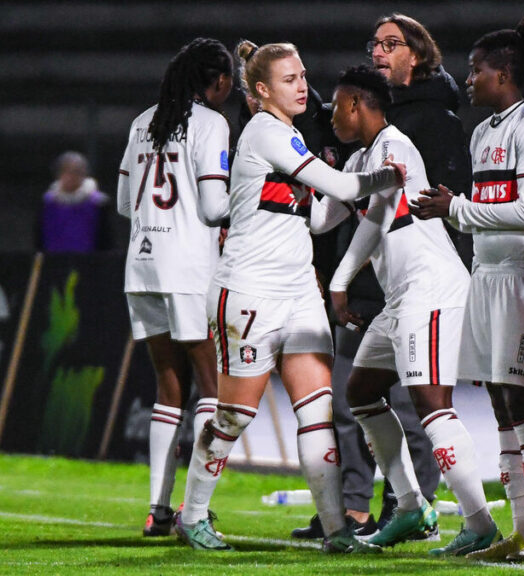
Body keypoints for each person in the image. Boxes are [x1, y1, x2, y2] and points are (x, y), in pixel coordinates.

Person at [178, 39, 405, 554]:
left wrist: (356, 187)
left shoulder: (291, 136)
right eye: (289, 79)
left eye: (303, 75)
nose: (303, 85)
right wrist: (381, 176)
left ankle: (337, 531)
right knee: (235, 416)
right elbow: (344, 192)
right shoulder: (262, 132)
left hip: (300, 290)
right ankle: (191, 516)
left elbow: (320, 215)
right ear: (260, 90)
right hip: (249, 290)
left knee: (316, 412)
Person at [312, 64, 496, 556]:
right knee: (362, 391)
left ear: (356, 103)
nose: (331, 114)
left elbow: (376, 215)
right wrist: (304, 170)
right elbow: (319, 219)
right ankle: (412, 506)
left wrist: (339, 281)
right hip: (401, 298)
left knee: (432, 407)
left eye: (336, 105)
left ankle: (479, 522)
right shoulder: (356, 163)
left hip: (431, 288)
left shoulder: (394, 145)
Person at [411, 20, 524, 563]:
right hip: (489, 276)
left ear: (503, 72)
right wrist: (456, 208)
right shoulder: (482, 134)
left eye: (476, 69)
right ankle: (523, 533)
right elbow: (484, 217)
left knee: (521, 398)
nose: (468, 78)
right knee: (501, 402)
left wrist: (454, 208)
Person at [115, 37, 233, 538]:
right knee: (212, 384)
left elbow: (124, 202)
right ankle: (194, 509)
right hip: (189, 267)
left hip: (142, 267)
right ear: (220, 80)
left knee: (168, 387)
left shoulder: (143, 120)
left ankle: (157, 509)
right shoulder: (211, 123)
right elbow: (213, 205)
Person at [37, 151, 113, 253]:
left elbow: (106, 240)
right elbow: (39, 239)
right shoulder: (48, 203)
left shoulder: (99, 204)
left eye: (76, 172)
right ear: (59, 174)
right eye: (66, 171)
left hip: (89, 263)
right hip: (54, 263)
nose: (71, 176)